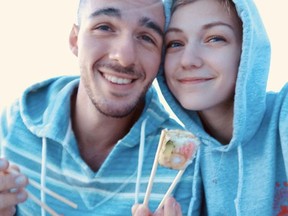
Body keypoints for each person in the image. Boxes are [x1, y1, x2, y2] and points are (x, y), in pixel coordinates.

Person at [0, 0, 196, 215]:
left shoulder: (182, 160)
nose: (124, 57)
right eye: (104, 27)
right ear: (75, 40)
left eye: (146, 37)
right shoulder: (15, 122)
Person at [156, 0, 288, 215]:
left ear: (247, 50)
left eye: (215, 38)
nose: (188, 60)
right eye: (174, 43)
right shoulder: (178, 160)